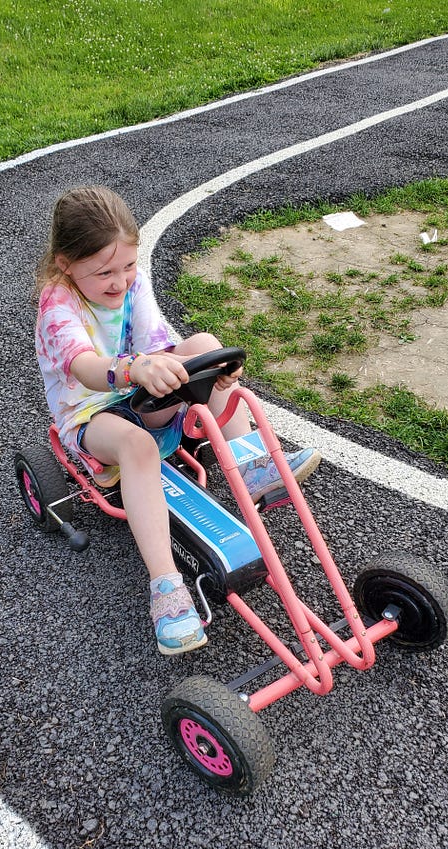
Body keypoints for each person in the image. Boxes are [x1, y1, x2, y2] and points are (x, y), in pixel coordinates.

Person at [35, 185, 321, 655]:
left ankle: (252, 466)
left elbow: (159, 347)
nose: (119, 281)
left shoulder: (133, 284)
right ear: (66, 264)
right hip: (91, 415)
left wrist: (208, 369)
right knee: (138, 447)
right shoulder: (58, 306)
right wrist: (135, 368)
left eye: (128, 266)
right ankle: (166, 587)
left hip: (142, 393)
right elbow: (84, 367)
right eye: (104, 272)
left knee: (206, 345)